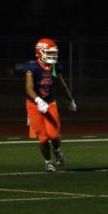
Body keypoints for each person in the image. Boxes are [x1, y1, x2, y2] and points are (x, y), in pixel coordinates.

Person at [23, 38, 76, 172]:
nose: (53, 56)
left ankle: (57, 150)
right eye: (50, 53)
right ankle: (48, 162)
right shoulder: (32, 67)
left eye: (53, 53)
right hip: (34, 105)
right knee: (43, 138)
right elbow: (29, 88)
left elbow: (62, 84)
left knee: (54, 135)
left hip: (50, 103)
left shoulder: (54, 66)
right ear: (40, 52)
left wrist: (70, 100)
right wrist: (38, 100)